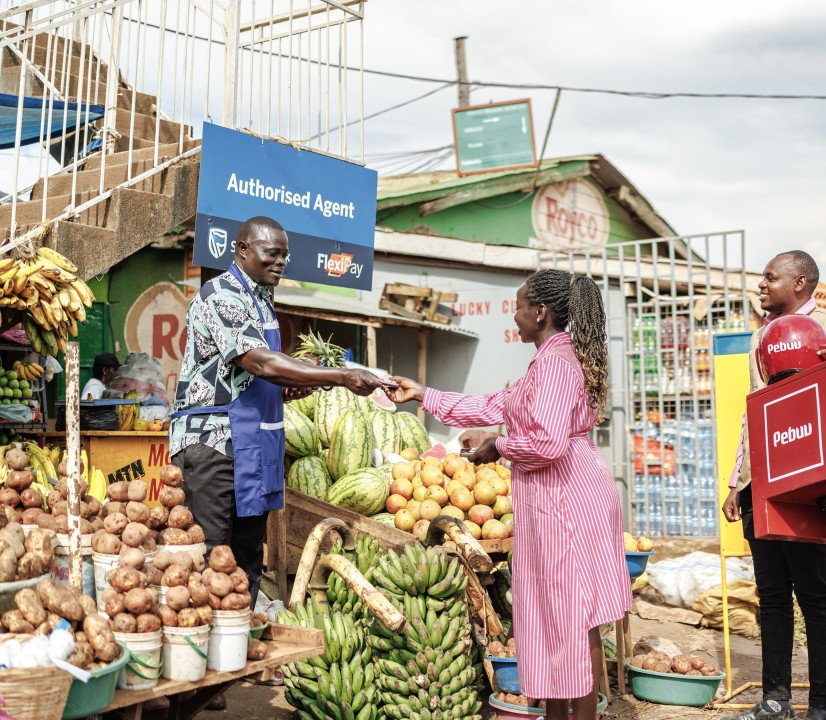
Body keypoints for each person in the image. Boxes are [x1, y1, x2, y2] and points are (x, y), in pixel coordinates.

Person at [387, 269, 630, 720]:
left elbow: (548, 443)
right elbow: (494, 406)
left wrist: (499, 446)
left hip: (568, 501)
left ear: (539, 312)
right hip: (558, 497)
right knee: (567, 618)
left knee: (569, 618)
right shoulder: (547, 361)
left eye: (518, 306)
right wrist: (424, 395)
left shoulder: (557, 365)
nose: (514, 314)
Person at [169, 217, 383, 601]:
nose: (281, 262)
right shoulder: (221, 294)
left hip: (253, 444)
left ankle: (242, 642)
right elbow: (260, 362)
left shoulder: (262, 300)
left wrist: (287, 390)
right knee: (210, 554)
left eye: (285, 255)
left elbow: (250, 375)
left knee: (248, 557)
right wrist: (340, 376)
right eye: (272, 253)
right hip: (215, 444)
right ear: (243, 250)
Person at [721, 251, 826, 720]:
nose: (761, 286)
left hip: (808, 483)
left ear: (801, 282)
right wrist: (736, 482)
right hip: (759, 481)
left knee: (812, 592)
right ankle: (774, 700)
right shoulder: (760, 337)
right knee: (770, 594)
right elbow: (755, 414)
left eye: (770, 279)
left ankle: (824, 704)